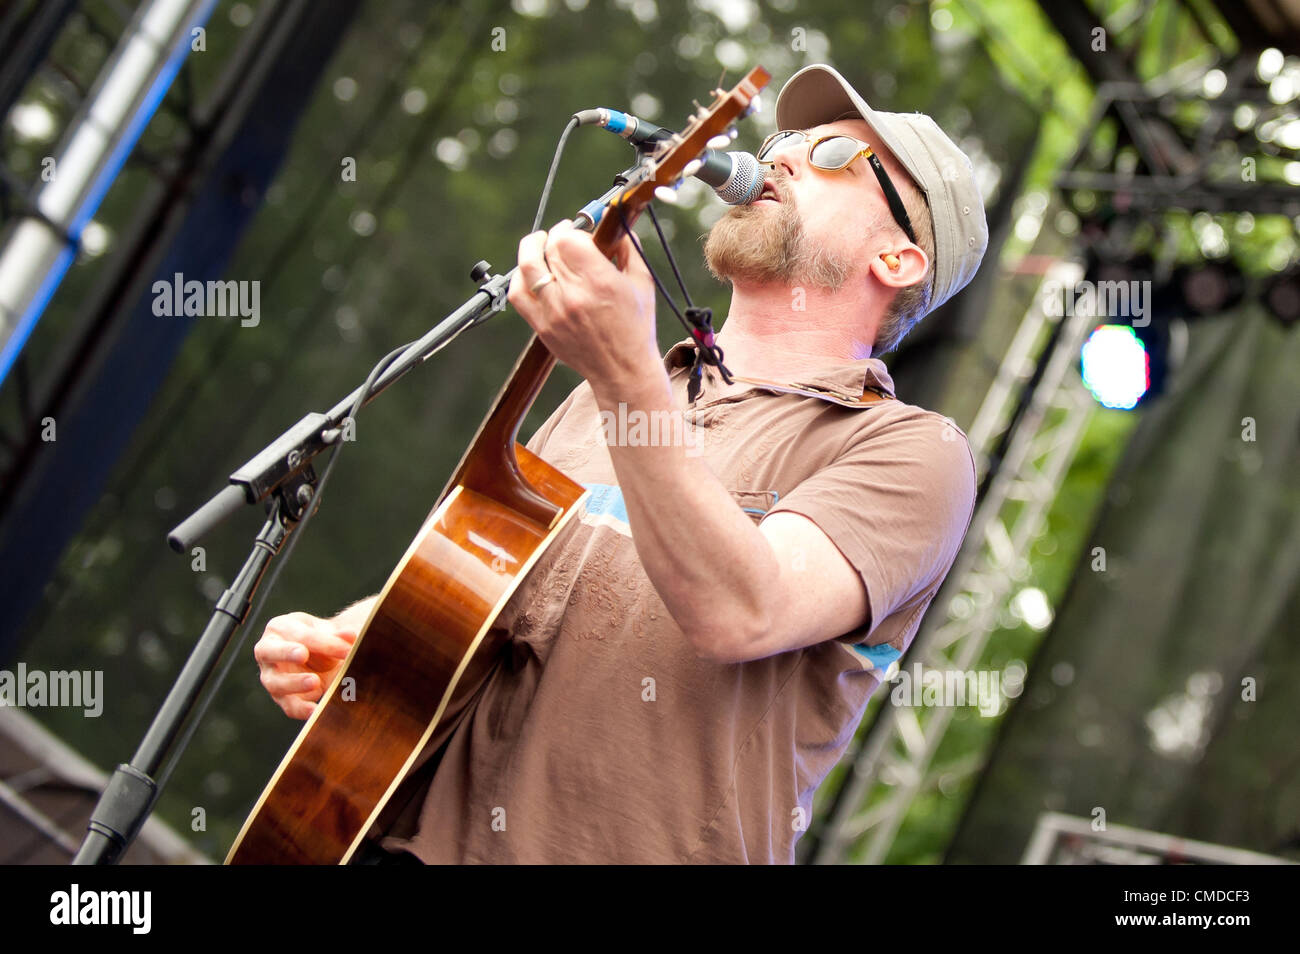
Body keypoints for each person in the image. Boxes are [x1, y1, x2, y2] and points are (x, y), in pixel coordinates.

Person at [253, 63, 988, 863]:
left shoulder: (914, 452)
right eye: (782, 141)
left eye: (835, 157)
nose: (780, 158)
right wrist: (365, 643)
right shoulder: (620, 384)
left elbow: (744, 609)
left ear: (899, 261)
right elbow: (485, 592)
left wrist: (622, 373)